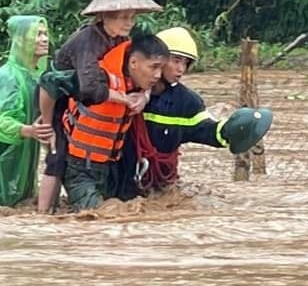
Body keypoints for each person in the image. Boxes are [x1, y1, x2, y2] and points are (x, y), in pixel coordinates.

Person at [35, 0, 162, 212]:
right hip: (56, 97)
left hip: (84, 100)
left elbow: (138, 72)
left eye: (133, 17)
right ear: (104, 16)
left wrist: (143, 96)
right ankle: (43, 215)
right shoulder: (87, 41)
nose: (129, 23)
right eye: (124, 17)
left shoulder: (121, 39)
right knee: (57, 156)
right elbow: (91, 89)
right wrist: (46, 121)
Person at [109, 26, 274, 200]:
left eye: (185, 63)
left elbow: (206, 129)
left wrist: (232, 130)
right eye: (176, 60)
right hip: (115, 181)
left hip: (155, 187)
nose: (181, 69)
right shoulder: (120, 91)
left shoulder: (186, 102)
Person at [60, 33, 170, 211]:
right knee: (97, 218)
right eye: (154, 67)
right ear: (134, 63)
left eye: (161, 68)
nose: (158, 75)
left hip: (110, 167)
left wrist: (145, 96)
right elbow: (59, 85)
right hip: (79, 167)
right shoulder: (98, 77)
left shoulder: (137, 78)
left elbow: (161, 86)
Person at [0, 16, 53, 207]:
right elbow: (0, 122)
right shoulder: (8, 76)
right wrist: (30, 131)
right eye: (37, 34)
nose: (44, 39)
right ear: (20, 40)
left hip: (24, 165)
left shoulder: (35, 75)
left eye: (45, 34)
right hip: (1, 167)